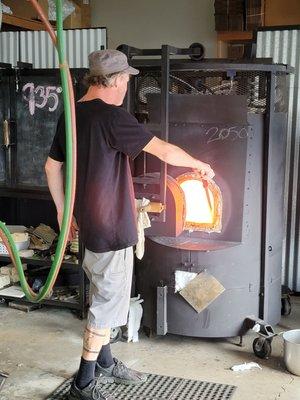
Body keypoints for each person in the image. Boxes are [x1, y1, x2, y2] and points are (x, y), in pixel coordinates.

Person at [45, 49, 214, 400]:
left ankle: (105, 362)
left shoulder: (72, 114)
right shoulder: (113, 118)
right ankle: (84, 383)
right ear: (117, 81)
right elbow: (164, 151)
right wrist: (199, 164)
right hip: (111, 228)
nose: (126, 86)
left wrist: (64, 214)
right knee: (107, 305)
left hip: (89, 225)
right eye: (126, 80)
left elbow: (51, 167)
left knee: (103, 294)